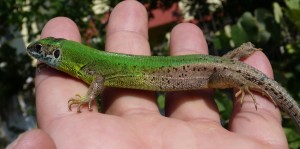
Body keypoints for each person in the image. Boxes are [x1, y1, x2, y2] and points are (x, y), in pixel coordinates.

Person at [7, 0, 288, 148]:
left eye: (42, 51)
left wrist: (87, 99)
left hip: (207, 72)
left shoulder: (92, 67)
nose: (38, 53)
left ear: (56, 54)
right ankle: (238, 59)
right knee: (221, 71)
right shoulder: (86, 62)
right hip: (208, 68)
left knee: (225, 77)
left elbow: (99, 82)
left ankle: (241, 70)